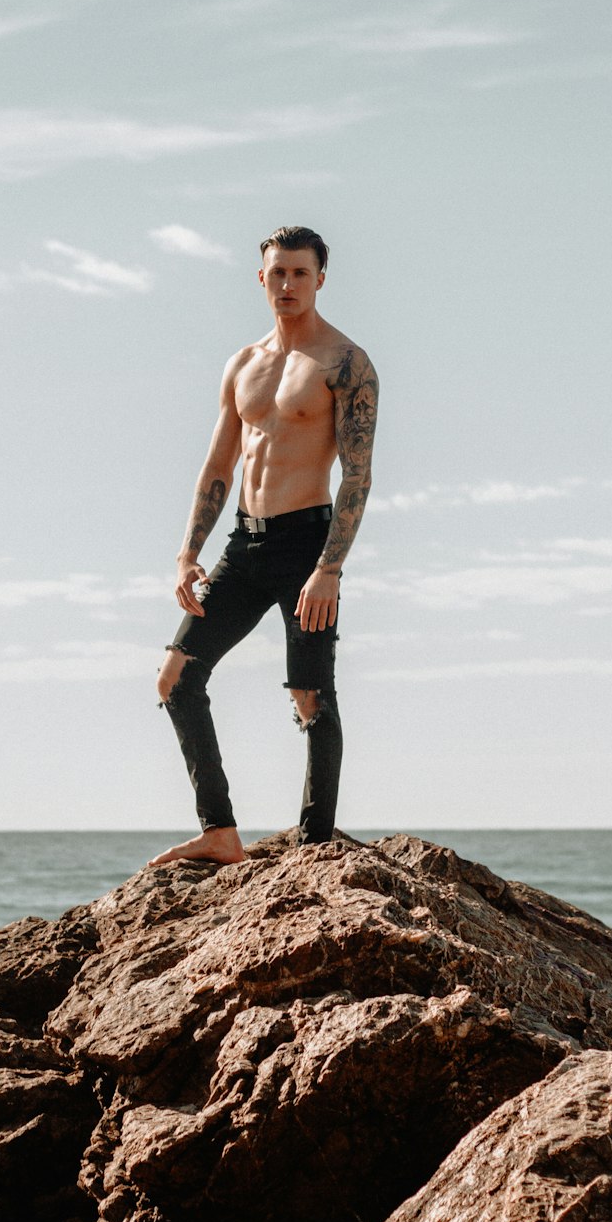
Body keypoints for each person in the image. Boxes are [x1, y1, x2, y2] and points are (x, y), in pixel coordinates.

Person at [150, 226, 378, 868]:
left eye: (300, 274)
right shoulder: (243, 364)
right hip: (243, 545)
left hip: (308, 543)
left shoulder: (345, 363)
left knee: (310, 696)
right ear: (261, 279)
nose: (287, 285)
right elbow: (220, 460)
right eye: (277, 273)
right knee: (176, 678)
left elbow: (357, 474)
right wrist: (188, 551)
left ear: (320, 279)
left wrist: (330, 567)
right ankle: (220, 832)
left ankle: (313, 844)